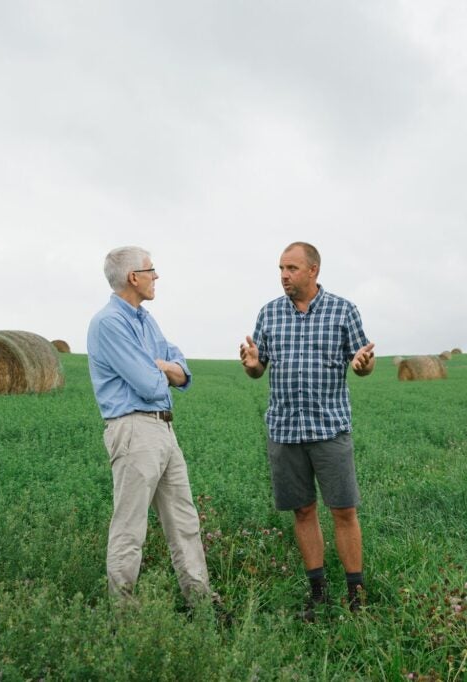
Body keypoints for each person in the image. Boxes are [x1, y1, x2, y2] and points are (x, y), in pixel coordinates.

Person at [239, 241, 376, 620]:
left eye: (291, 268)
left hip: (329, 428)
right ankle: (317, 592)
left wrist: (364, 364)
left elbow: (361, 364)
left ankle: (356, 592)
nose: (284, 275)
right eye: (281, 269)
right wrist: (251, 363)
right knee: (302, 511)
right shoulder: (268, 314)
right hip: (284, 430)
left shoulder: (342, 310)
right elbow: (257, 368)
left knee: (344, 511)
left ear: (313, 270)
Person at [87, 246, 211, 606]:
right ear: (133, 277)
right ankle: (123, 614)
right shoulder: (110, 323)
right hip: (133, 430)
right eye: (151, 270)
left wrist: (165, 366)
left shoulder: (145, 320)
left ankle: (200, 602)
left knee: (185, 522)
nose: (156, 276)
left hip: (163, 430)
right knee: (130, 528)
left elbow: (182, 370)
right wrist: (162, 369)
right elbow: (149, 384)